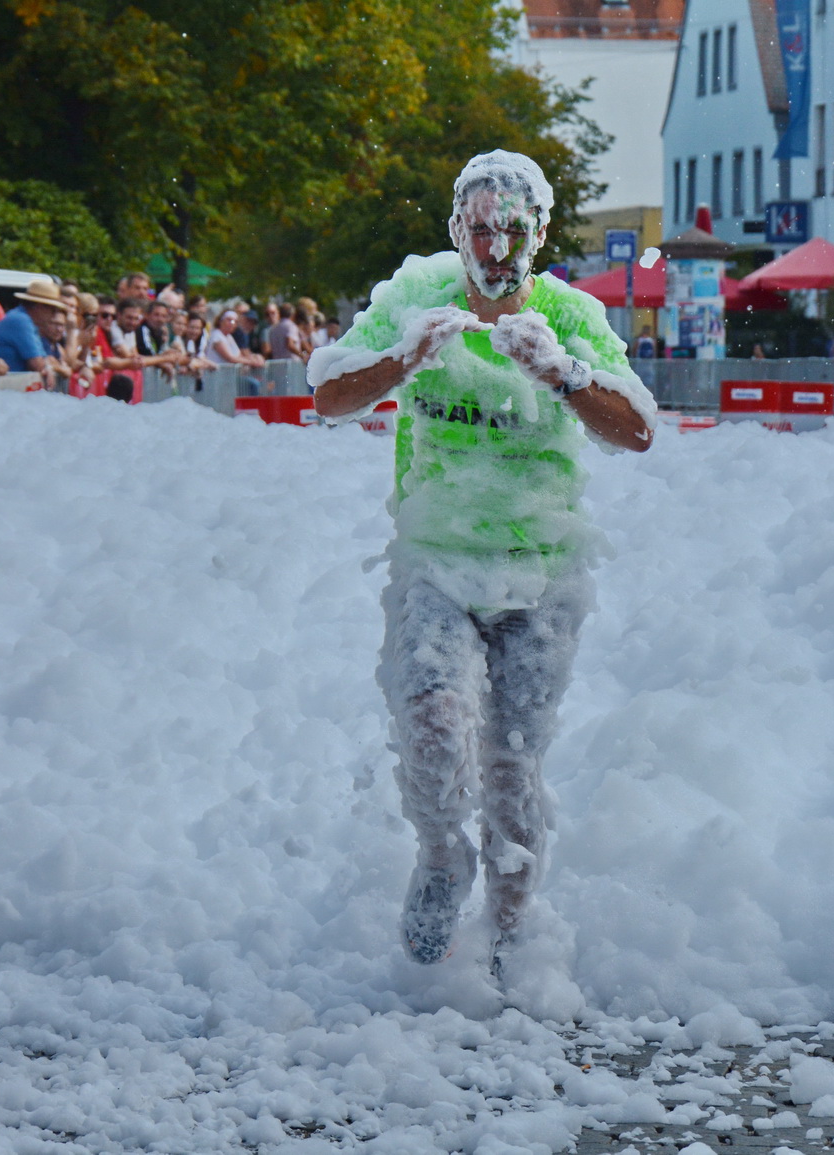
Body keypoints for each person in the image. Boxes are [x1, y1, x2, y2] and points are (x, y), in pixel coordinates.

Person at [309, 150, 654, 974]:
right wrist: (401, 360)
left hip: (542, 568)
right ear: (455, 229)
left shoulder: (568, 316)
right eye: (480, 226)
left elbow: (638, 426)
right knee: (432, 725)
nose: (495, 245)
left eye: (512, 229)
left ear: (539, 233)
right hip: (436, 558)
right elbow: (325, 396)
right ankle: (439, 853)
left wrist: (561, 374)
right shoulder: (414, 300)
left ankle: (508, 935)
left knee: (512, 761)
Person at [0, 279, 71, 379]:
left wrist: (49, 364)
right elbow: (37, 364)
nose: (54, 314)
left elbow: (46, 359)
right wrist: (59, 368)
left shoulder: (26, 321)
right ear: (39, 306)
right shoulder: (21, 320)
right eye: (53, 309)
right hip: (5, 390)